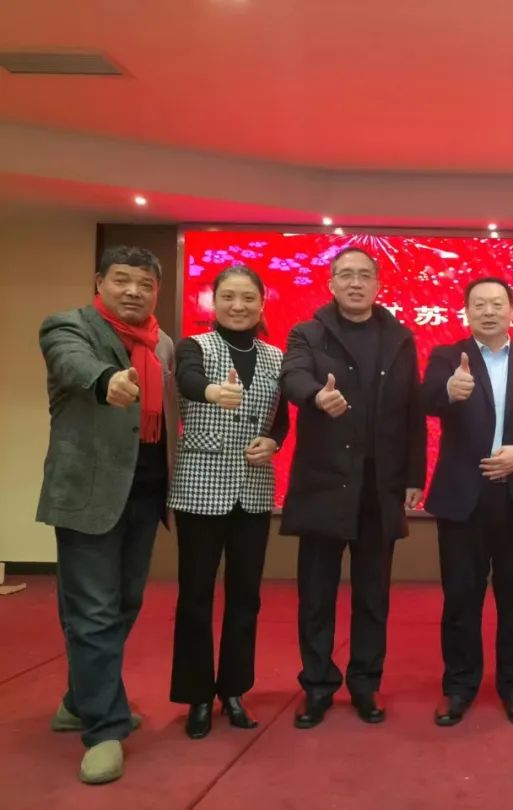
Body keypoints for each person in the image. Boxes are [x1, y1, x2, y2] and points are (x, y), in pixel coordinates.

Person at [37, 245, 175, 784]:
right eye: (122, 280)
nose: (134, 291)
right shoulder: (68, 327)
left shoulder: (162, 343)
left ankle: (79, 701)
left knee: (122, 605)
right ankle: (105, 729)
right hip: (87, 493)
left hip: (144, 493)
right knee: (93, 610)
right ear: (100, 282)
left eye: (145, 284)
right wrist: (106, 380)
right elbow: (74, 365)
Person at [280, 246, 425, 729]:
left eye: (365, 275)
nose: (356, 283)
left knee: (372, 596)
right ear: (331, 283)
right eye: (346, 275)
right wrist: (315, 397)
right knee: (316, 596)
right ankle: (317, 685)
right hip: (324, 483)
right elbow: (292, 376)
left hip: (378, 488)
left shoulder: (399, 337)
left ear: (378, 284)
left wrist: (413, 476)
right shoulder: (308, 332)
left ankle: (365, 683)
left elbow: (411, 410)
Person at [422, 277, 513, 727]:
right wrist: (449, 392)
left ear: (511, 311)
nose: (488, 311)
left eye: (496, 304)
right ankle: (458, 687)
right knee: (460, 599)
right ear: (466, 312)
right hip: (463, 496)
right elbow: (424, 401)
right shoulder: (447, 356)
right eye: (479, 304)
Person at [167, 265, 289, 739]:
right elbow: (187, 382)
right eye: (228, 297)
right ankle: (197, 695)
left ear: (262, 303)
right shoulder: (194, 347)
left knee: (246, 597)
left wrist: (273, 442)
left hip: (253, 491)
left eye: (248, 298)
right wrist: (214, 392)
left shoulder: (276, 356)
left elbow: (281, 419)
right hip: (201, 489)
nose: (238, 306)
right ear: (213, 303)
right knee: (196, 597)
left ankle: (234, 689)